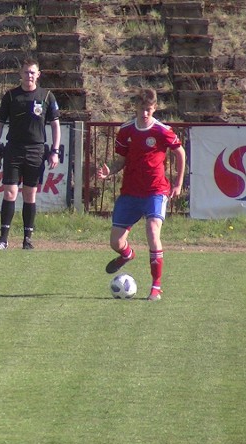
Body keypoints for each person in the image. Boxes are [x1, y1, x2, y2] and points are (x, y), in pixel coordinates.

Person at [96, 88, 186, 301]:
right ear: (135, 107)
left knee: (152, 231)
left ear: (154, 108)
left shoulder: (162, 131)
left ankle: (156, 286)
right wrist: (110, 170)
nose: (145, 114)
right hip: (130, 192)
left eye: (149, 110)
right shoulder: (126, 131)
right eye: (141, 109)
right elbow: (120, 161)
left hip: (156, 191)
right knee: (115, 243)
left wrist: (178, 183)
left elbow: (180, 152)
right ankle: (127, 254)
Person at [0, 57, 61, 250]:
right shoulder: (11, 96)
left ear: (38, 75)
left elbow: (55, 126)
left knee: (30, 194)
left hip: (36, 150)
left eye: (33, 72)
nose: (29, 75)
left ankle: (27, 239)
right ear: (20, 74)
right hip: (13, 149)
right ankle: (3, 239)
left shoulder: (47, 97)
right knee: (10, 192)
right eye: (26, 72)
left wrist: (54, 151)